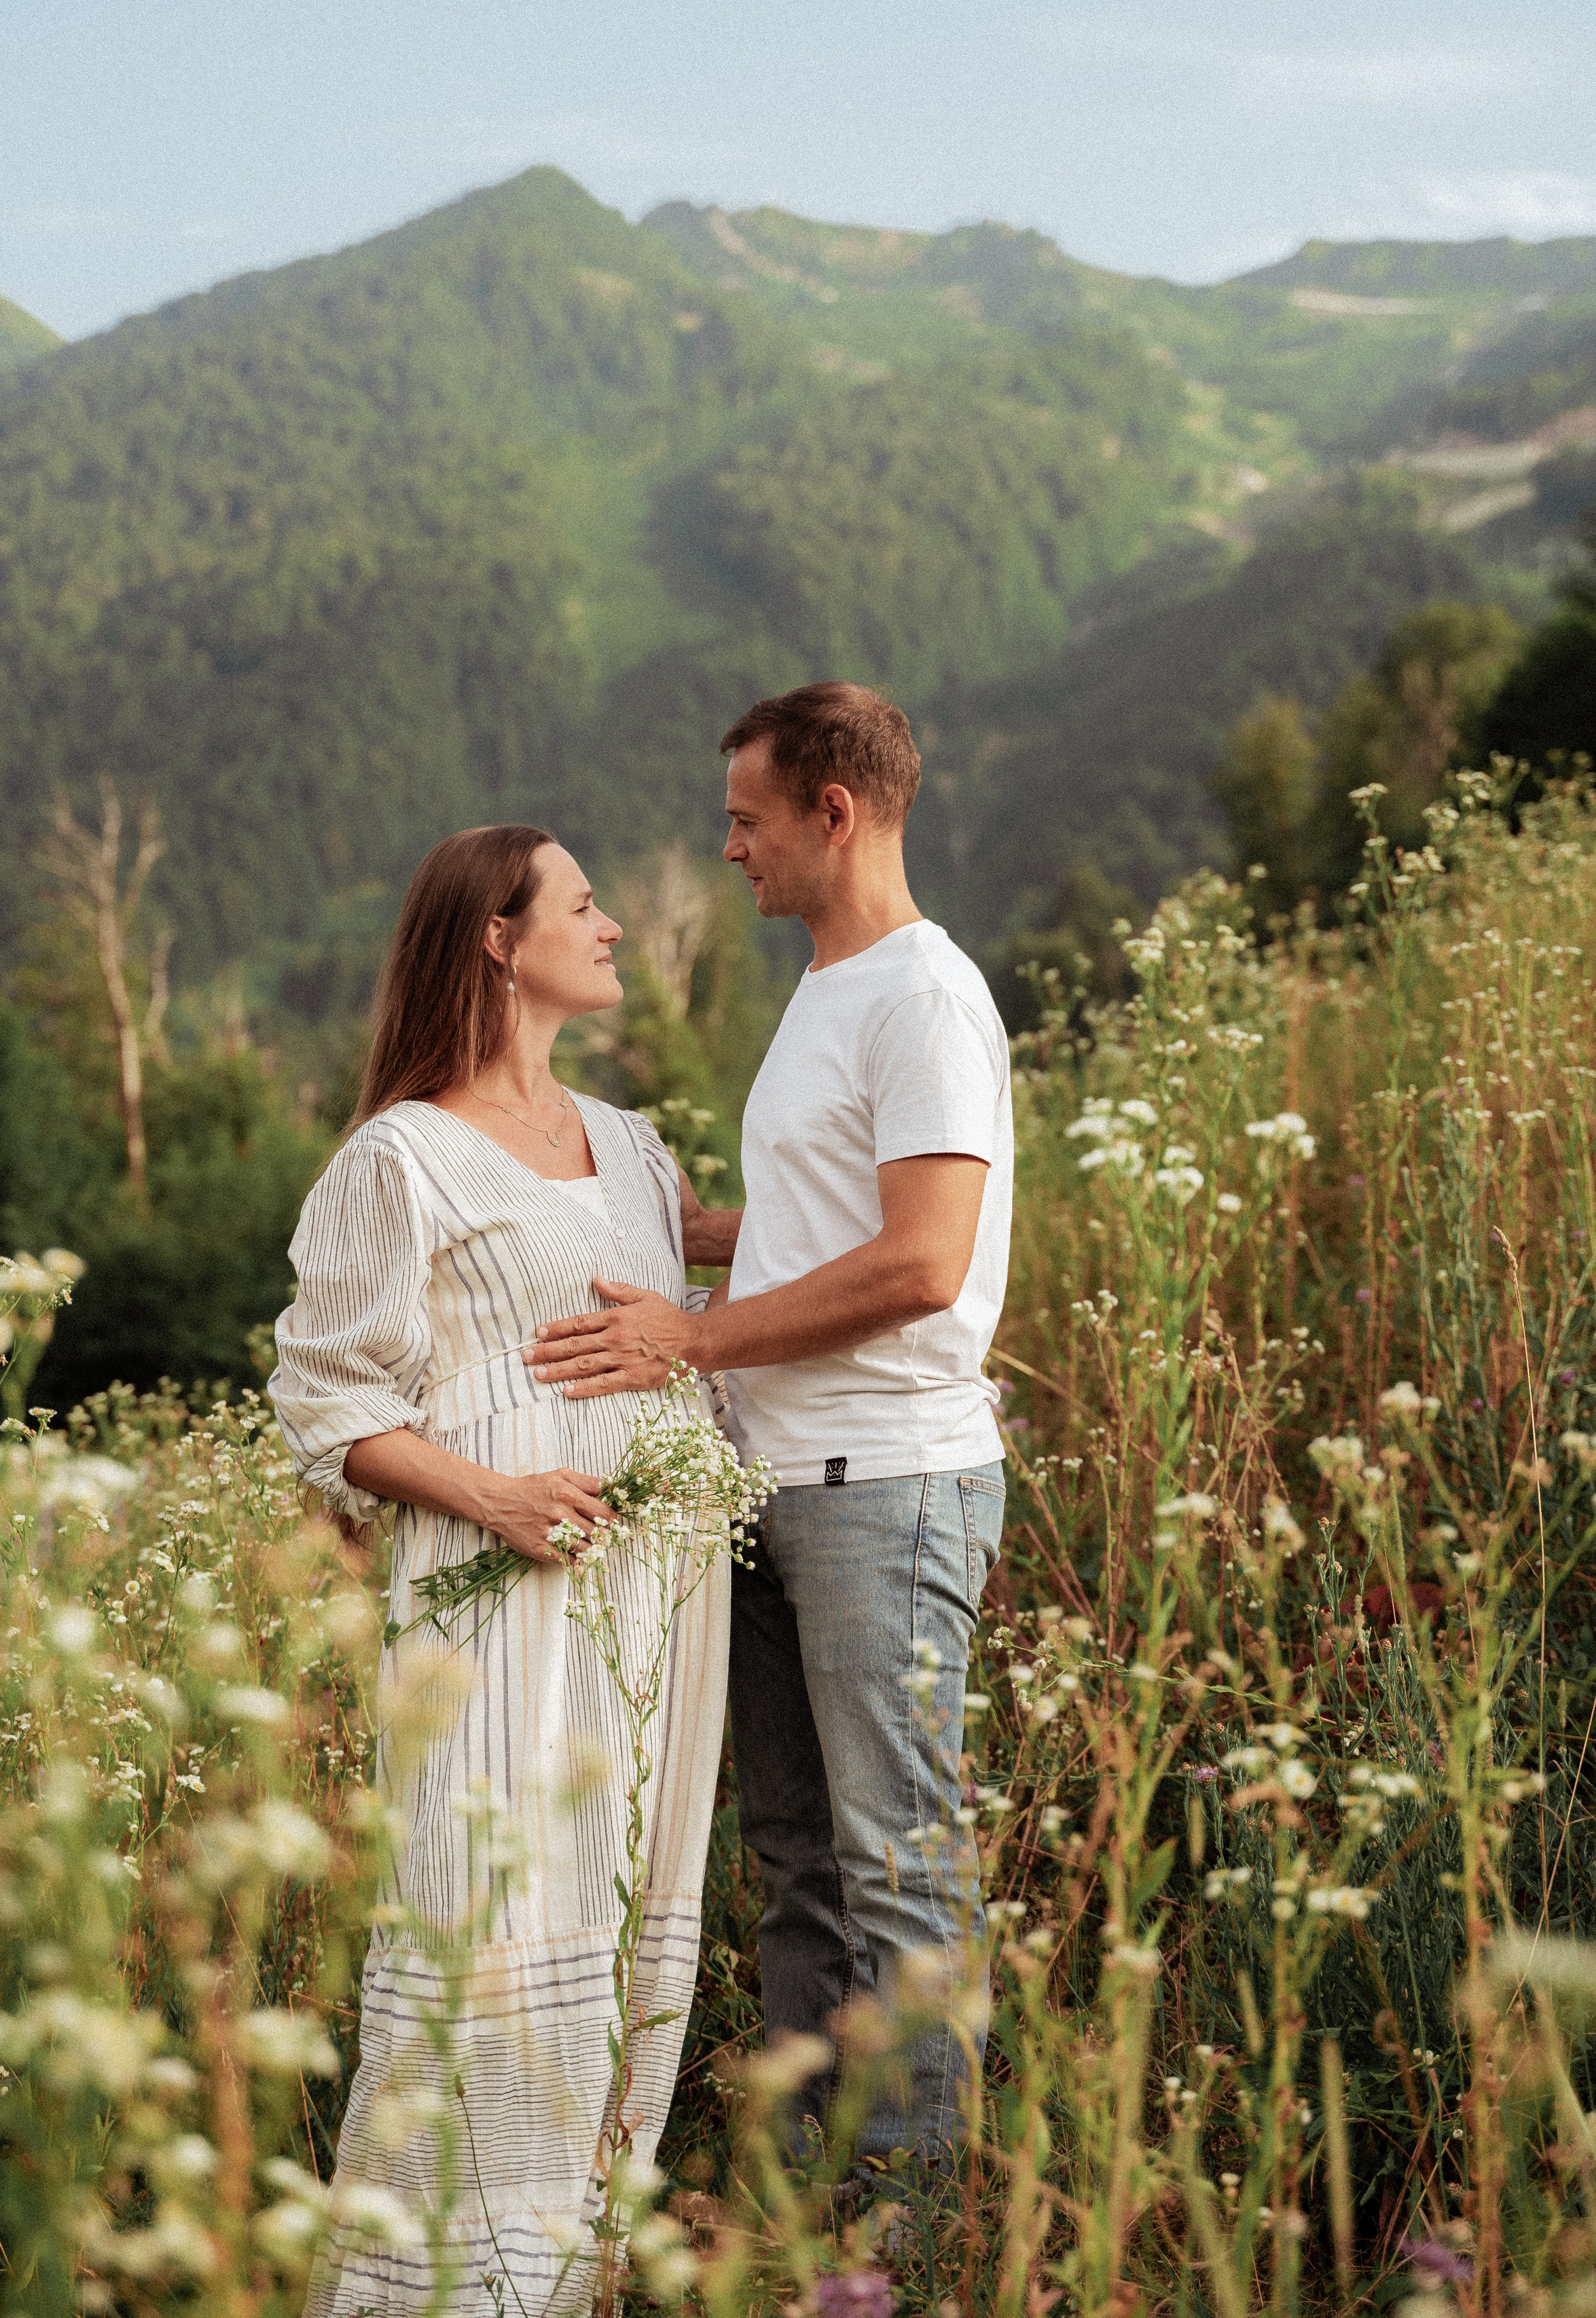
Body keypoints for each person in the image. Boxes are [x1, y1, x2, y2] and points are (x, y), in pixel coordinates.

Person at [526, 681, 1013, 2171]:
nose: (727, 847)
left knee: (893, 1865)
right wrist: (682, 1230)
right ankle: (811, 2176)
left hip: (887, 1487)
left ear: (832, 811)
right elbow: (835, 1221)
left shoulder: (922, 994)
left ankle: (919, 2211)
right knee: (796, 1859)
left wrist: (692, 1333)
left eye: (744, 819)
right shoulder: (828, 983)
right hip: (778, 1484)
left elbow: (924, 1258)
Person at [269, 825, 738, 2317]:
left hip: (657, 1598)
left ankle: (569, 2282)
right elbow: (330, 1407)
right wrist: (498, 1497)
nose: (608, 927)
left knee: (623, 1930)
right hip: (502, 1592)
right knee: (488, 1917)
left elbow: (709, 1290)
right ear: (494, 934)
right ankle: (430, 2295)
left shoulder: (632, 1142)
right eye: (584, 904)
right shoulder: (397, 1156)